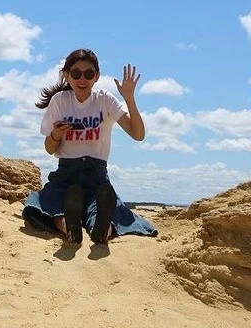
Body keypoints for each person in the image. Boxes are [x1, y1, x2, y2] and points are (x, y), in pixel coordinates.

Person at [21, 48, 158, 245]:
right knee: (48, 206)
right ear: (67, 75)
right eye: (76, 73)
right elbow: (50, 149)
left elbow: (138, 134)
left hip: (97, 176)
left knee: (101, 210)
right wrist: (55, 135)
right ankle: (71, 227)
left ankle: (100, 229)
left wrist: (129, 98)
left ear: (97, 76)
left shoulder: (105, 100)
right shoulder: (60, 101)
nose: (82, 79)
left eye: (88, 73)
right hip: (66, 175)